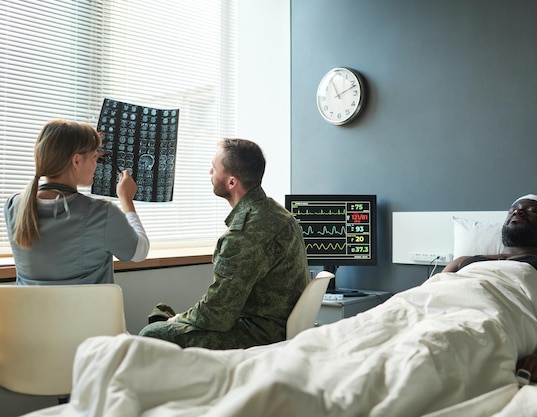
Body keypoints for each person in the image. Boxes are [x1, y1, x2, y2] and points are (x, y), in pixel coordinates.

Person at [139, 138, 309, 349]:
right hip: (275, 323)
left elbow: (217, 315)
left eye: (214, 168)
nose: (209, 173)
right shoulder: (278, 214)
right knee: (163, 313)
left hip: (260, 334)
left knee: (152, 333)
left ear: (231, 182)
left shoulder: (244, 234)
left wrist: (177, 320)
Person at [442, 194, 537, 384]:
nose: (518, 211)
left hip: (486, 319)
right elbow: (429, 290)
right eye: (513, 210)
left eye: (532, 210)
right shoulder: (462, 261)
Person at [4, 119, 149, 285]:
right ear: (76, 161)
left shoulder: (13, 206)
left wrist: (88, 146)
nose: (96, 164)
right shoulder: (101, 213)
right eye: (94, 157)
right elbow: (139, 252)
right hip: (87, 311)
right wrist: (127, 201)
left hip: (30, 311)